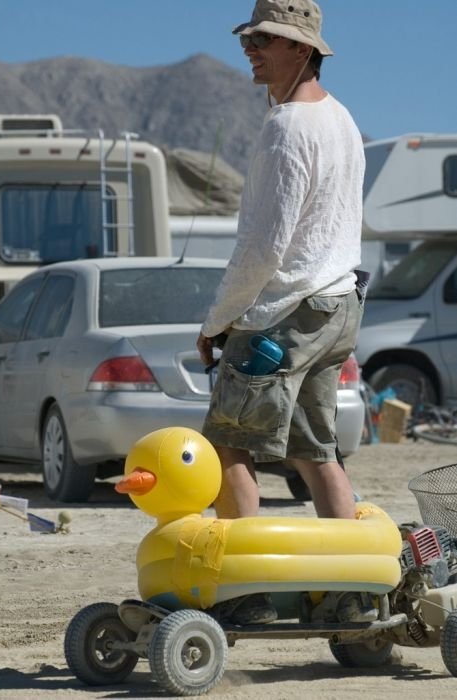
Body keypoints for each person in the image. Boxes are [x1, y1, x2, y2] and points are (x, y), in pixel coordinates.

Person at [197, 0, 366, 623]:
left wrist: (218, 321)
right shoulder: (342, 120)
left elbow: (264, 246)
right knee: (316, 449)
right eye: (249, 37)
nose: (250, 48)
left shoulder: (287, 127)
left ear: (303, 49)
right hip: (336, 304)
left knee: (226, 447)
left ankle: (247, 595)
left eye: (264, 39)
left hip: (283, 313)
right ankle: (352, 596)